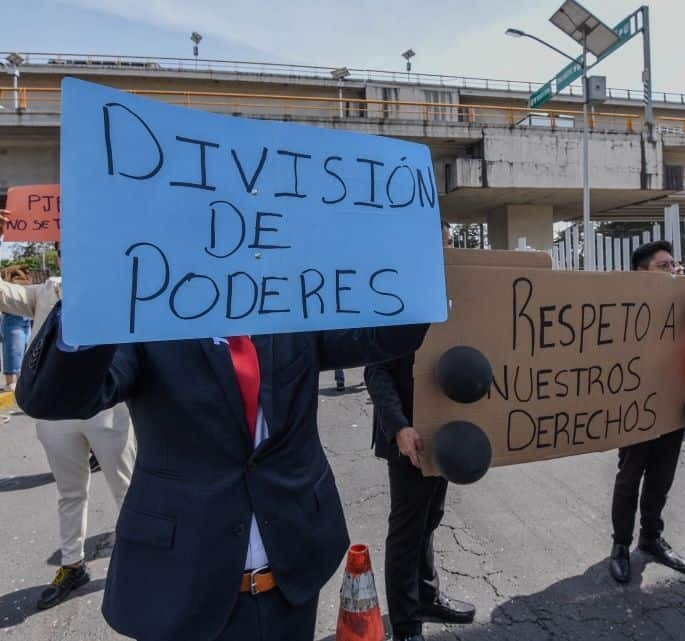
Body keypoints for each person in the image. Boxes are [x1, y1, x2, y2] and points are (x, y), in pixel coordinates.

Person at [15, 275, 430, 640]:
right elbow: (55, 396)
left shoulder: (293, 301)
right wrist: (96, 293)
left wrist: (414, 268)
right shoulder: (145, 312)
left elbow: (386, 336)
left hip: (294, 577)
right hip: (183, 588)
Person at [0, 213, 136, 611]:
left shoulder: (118, 290)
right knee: (70, 492)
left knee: (126, 487)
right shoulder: (47, 292)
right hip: (55, 416)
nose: (70, 257)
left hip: (107, 411)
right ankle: (72, 563)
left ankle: (138, 558)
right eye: (64, 251)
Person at [363, 221, 473, 641]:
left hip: (445, 430)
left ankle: (427, 598)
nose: (444, 250)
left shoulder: (455, 297)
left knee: (431, 517)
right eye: (437, 243)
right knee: (408, 529)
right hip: (409, 436)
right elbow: (376, 371)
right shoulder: (393, 295)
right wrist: (400, 428)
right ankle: (406, 625)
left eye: (448, 243)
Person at [609, 240, 685, 584]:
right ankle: (620, 545)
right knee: (630, 480)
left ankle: (651, 538)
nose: (672, 270)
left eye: (674, 264)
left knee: (661, 479)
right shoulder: (620, 306)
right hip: (634, 407)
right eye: (663, 265)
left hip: (673, 404)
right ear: (640, 272)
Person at [0, 266, 33, 391]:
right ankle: (11, 382)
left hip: (25, 319)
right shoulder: (10, 285)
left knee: (23, 351)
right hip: (12, 319)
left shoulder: (18, 283)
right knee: (13, 351)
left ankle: (17, 380)